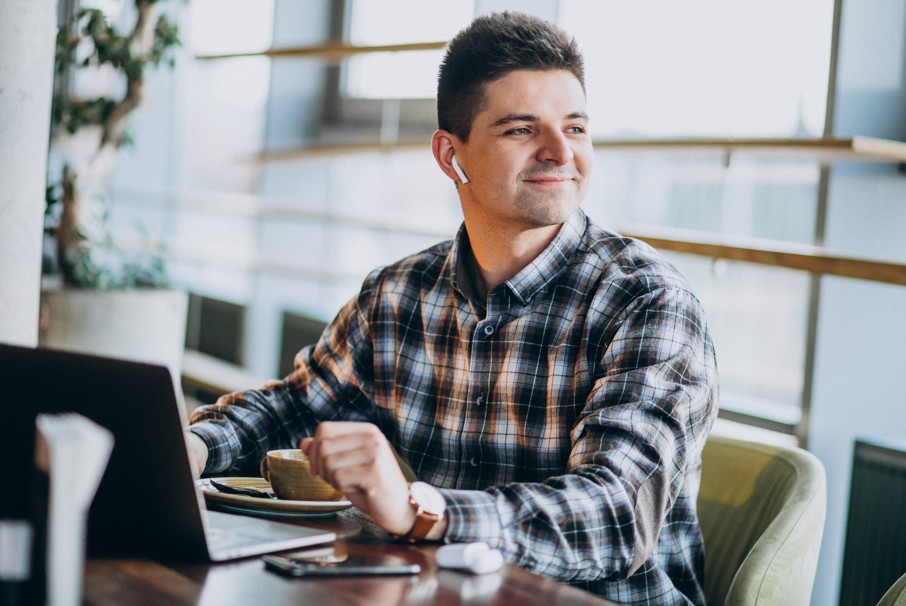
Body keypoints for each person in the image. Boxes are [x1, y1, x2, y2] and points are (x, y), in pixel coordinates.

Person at [187, 11, 718, 605]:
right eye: (521, 130)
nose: (558, 151)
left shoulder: (647, 301)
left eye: (575, 127)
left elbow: (615, 513)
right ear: (449, 154)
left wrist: (426, 511)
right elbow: (295, 407)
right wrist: (197, 445)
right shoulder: (397, 295)